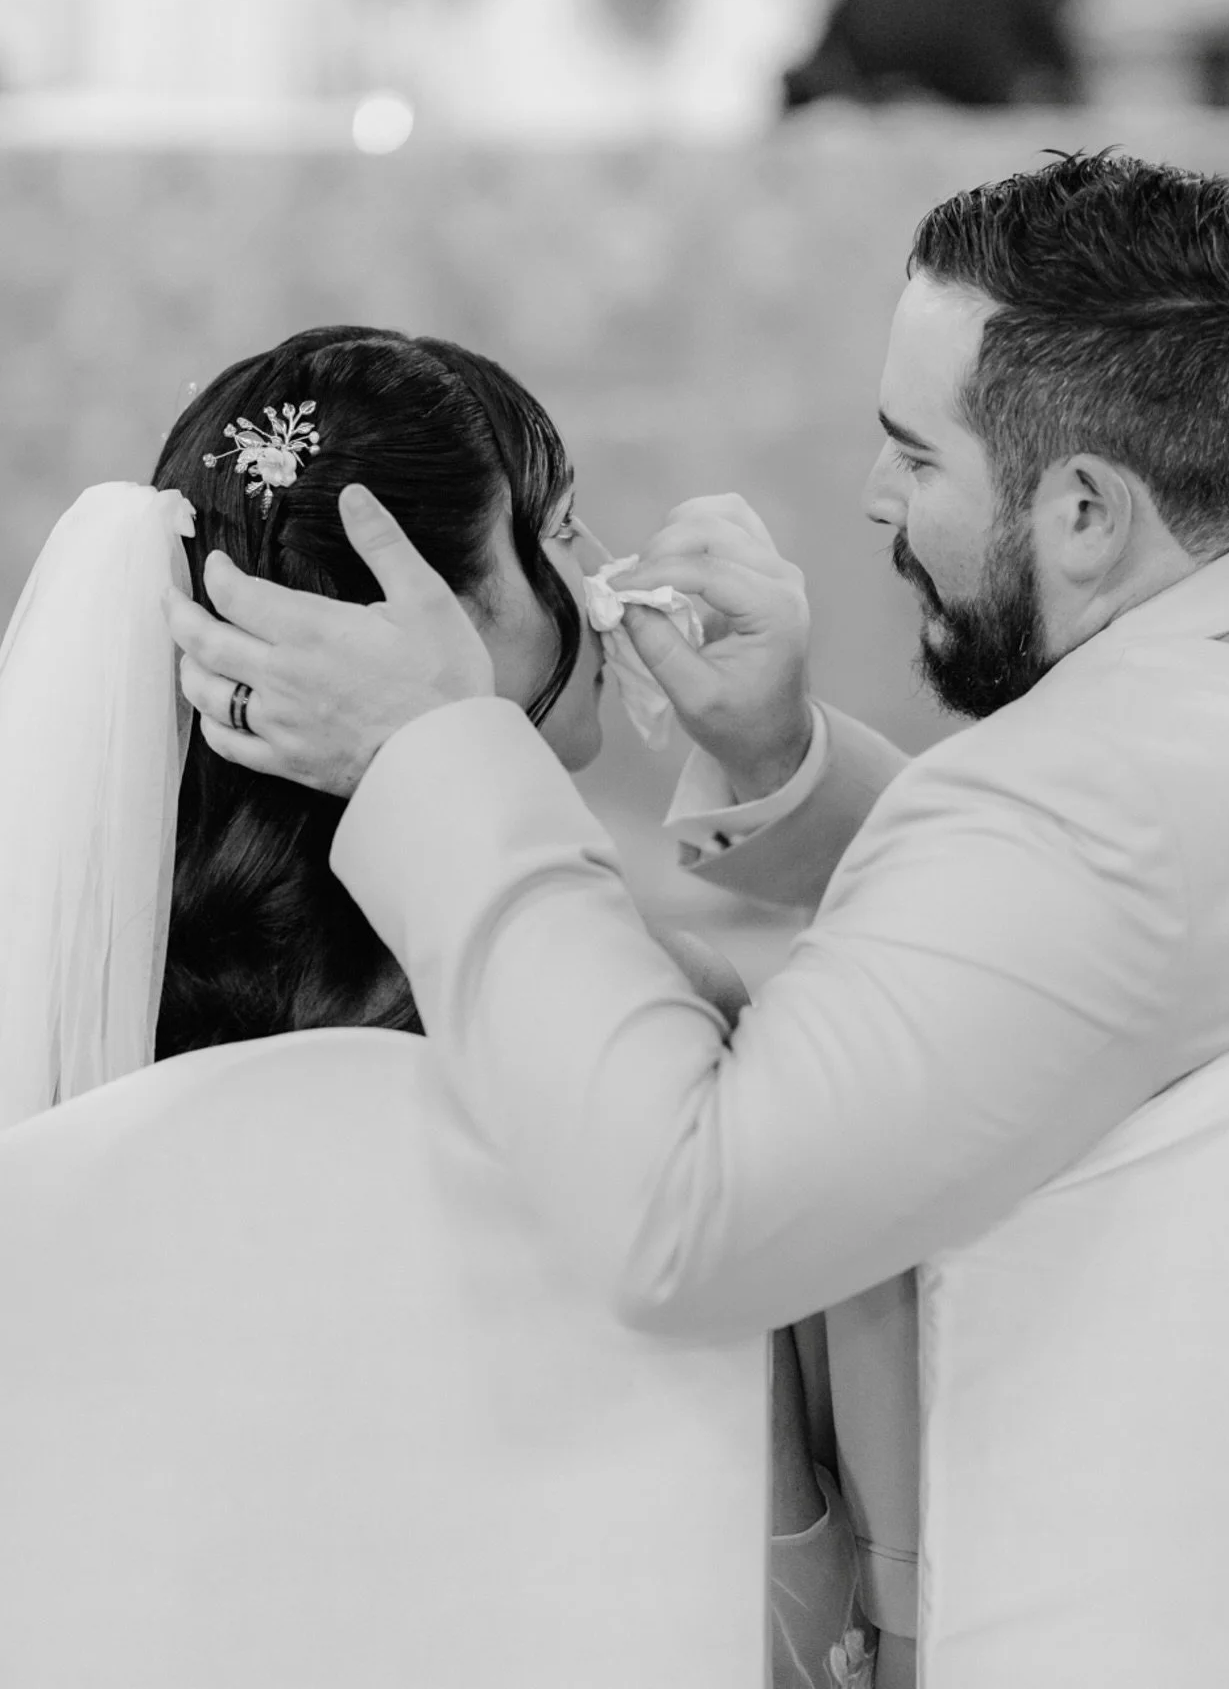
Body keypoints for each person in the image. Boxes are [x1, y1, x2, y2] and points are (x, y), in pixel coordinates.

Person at [164, 151, 1229, 1675]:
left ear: (1087, 509)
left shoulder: (1076, 805)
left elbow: (683, 1214)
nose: (873, 500)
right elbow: (1084, 939)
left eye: (917, 455)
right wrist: (784, 762)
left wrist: (438, 753)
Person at [0, 325, 871, 1689]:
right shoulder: (637, 1046)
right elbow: (787, 1587)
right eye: (568, 534)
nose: (603, 587)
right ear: (440, 623)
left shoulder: (85, 1023)